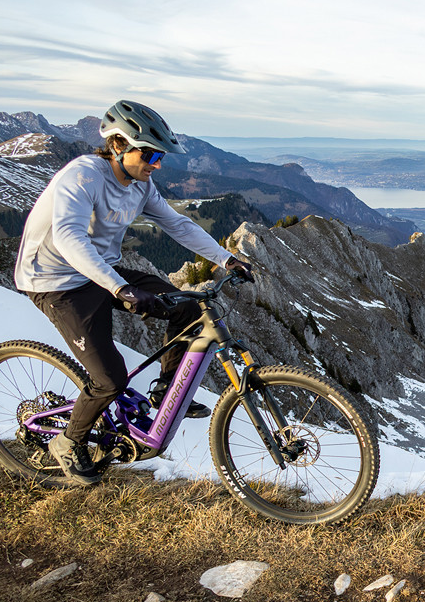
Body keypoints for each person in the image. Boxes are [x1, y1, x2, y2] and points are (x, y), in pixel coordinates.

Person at [14, 99, 253, 486]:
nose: (156, 164)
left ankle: (166, 392)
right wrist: (119, 287)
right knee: (109, 379)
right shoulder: (82, 177)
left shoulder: (141, 184)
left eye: (161, 156)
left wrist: (226, 259)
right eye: (150, 154)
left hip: (102, 270)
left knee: (187, 309)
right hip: (56, 281)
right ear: (117, 145)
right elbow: (69, 238)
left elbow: (177, 224)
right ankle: (68, 442)